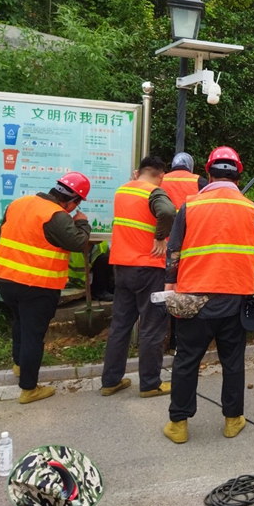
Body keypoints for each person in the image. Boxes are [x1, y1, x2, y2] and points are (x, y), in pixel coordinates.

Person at [162, 146, 254, 444]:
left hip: (194, 298)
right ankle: (232, 420)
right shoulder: (252, 209)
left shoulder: (190, 206)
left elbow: (174, 250)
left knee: (186, 361)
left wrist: (170, 285)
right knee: (232, 361)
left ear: (208, 173)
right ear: (238, 175)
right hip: (235, 298)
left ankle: (178, 425)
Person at [0, 172, 92, 404]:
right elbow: (78, 242)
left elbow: (1, 235)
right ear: (72, 201)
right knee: (33, 335)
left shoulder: (19, 203)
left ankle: (20, 366)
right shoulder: (56, 215)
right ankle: (29, 388)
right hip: (37, 286)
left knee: (20, 324)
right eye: (77, 204)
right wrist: (82, 222)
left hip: (6, 279)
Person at [101, 156, 175, 398]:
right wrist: (160, 238)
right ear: (161, 175)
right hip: (149, 268)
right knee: (152, 327)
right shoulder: (154, 192)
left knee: (120, 326)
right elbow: (167, 211)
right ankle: (150, 384)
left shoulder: (122, 190)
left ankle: (110, 381)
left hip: (123, 268)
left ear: (138, 172)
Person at [160, 152, 208, 353]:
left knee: (162, 296)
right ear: (190, 166)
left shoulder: (160, 180)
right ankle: (176, 342)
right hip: (188, 249)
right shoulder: (199, 181)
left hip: (160, 248)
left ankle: (160, 340)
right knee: (182, 297)